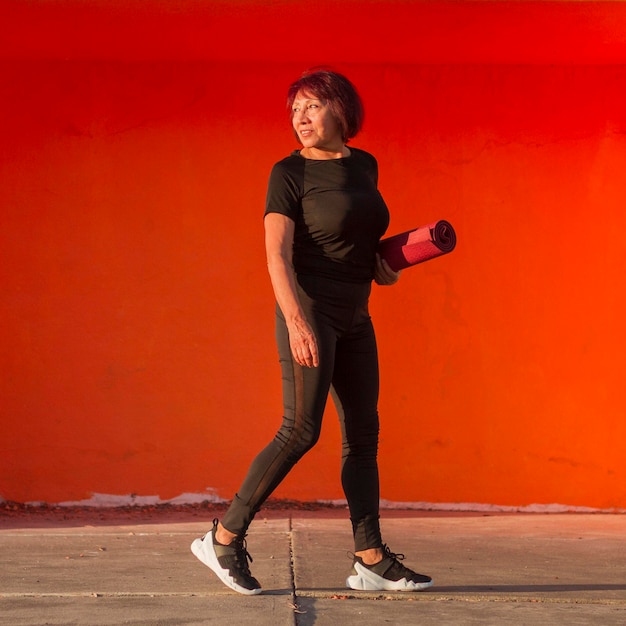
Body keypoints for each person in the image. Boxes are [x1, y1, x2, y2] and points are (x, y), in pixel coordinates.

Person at [191, 69, 433, 595]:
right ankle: (223, 538)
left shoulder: (365, 164)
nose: (299, 119)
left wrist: (381, 264)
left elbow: (353, 237)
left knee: (363, 436)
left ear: (341, 112)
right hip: (309, 311)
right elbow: (275, 256)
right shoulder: (287, 173)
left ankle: (370, 558)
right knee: (300, 430)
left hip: (356, 314)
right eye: (294, 109)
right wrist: (298, 321)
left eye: (311, 107)